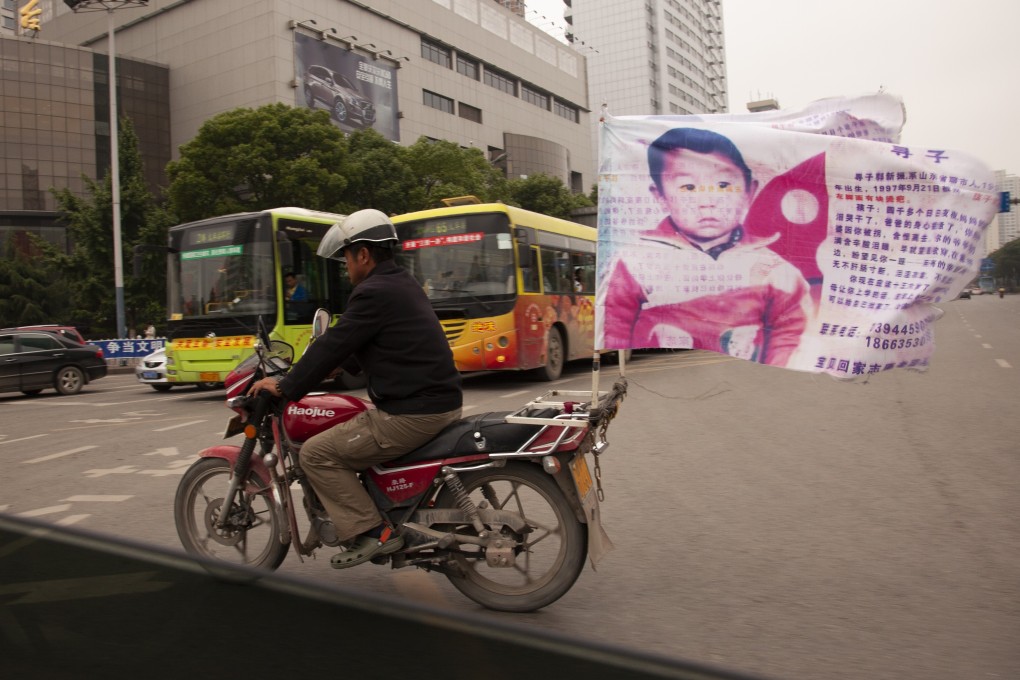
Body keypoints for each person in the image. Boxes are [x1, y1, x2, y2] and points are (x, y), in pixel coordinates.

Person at [249, 209, 462, 569]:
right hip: (435, 402)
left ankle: (375, 532)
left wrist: (286, 385)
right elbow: (358, 348)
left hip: (413, 413)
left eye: (346, 257)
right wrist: (328, 364)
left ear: (363, 254)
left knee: (316, 454)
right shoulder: (401, 284)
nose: (346, 266)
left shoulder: (373, 292)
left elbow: (333, 343)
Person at [599, 127, 811, 367]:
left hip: (752, 383)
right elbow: (614, 328)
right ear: (659, 196)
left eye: (723, 185)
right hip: (670, 383)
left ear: (749, 191)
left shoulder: (774, 270)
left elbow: (790, 335)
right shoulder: (635, 263)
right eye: (688, 187)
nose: (707, 201)